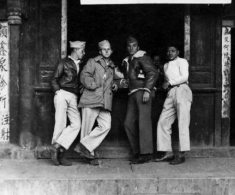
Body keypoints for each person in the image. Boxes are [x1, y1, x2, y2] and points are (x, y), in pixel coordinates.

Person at [74, 40, 117, 166]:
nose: (107, 51)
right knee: (86, 129)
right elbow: (84, 75)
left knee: (106, 125)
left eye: (109, 49)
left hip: (104, 101)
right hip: (91, 98)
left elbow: (114, 81)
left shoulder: (112, 66)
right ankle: (89, 156)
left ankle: (84, 147)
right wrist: (92, 84)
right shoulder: (93, 61)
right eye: (104, 49)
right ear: (100, 51)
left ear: (111, 50)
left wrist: (115, 86)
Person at [155, 43, 192, 165]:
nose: (170, 53)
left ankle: (181, 155)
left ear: (178, 52)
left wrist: (170, 82)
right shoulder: (165, 66)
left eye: (172, 51)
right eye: (168, 51)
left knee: (182, 122)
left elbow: (184, 76)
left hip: (182, 89)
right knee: (163, 121)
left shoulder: (182, 61)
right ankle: (168, 152)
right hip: (171, 93)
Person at [50, 41, 86, 166]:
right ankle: (60, 155)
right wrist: (57, 92)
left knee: (76, 124)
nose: (84, 53)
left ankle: (56, 146)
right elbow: (54, 79)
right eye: (82, 50)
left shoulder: (82, 65)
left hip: (74, 97)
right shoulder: (63, 62)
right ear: (76, 50)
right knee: (60, 123)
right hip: (63, 94)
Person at [123, 36, 158, 164]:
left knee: (144, 122)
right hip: (133, 93)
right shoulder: (130, 60)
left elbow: (153, 73)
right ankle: (138, 151)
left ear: (138, 47)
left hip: (143, 91)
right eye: (129, 46)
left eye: (134, 45)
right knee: (128, 122)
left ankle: (146, 153)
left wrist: (147, 90)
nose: (131, 48)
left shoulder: (142, 57)